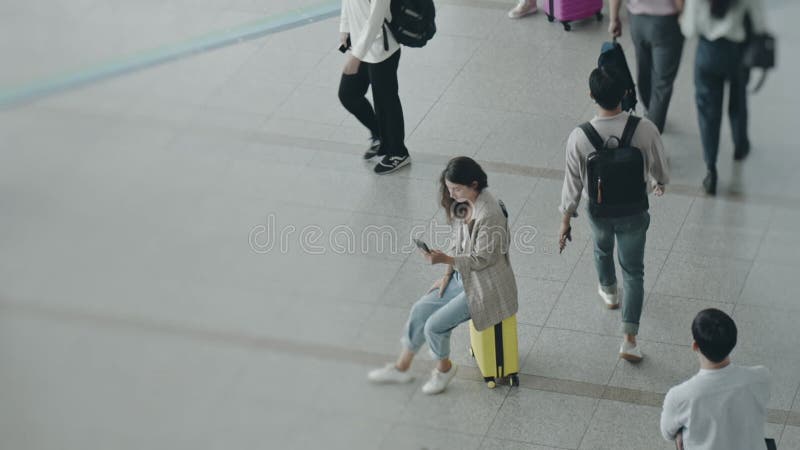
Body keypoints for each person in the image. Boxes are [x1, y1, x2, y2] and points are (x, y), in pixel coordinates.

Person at [367, 157, 518, 394]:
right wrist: (447, 275)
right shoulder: (463, 204)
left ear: (474, 184)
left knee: (434, 326)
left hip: (485, 286)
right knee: (420, 310)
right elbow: (456, 243)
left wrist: (444, 260)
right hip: (462, 277)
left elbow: (482, 259)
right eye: (449, 189)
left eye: (457, 188)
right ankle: (401, 366)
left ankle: (445, 370)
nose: (452, 194)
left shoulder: (490, 213)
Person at [558, 67, 669, 362]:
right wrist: (658, 181)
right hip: (634, 211)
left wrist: (566, 219)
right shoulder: (643, 128)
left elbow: (572, 183)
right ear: (624, 94)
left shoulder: (580, 137)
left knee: (601, 247)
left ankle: (609, 292)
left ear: (591, 95)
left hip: (599, 210)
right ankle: (629, 339)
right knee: (633, 271)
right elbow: (660, 167)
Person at [680, 0, 767, 195]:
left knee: (708, 111)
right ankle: (740, 145)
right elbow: (759, 22)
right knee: (738, 100)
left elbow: (689, 29)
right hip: (736, 52)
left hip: (707, 52)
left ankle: (711, 168)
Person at [660, 308, 771, 450]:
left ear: (695, 346)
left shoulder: (679, 397)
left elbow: (667, 432)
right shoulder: (761, 377)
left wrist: (679, 434)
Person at [338, 0, 411, 175]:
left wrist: (356, 56)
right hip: (360, 47)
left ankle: (398, 152)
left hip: (381, 50)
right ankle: (381, 136)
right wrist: (344, 27)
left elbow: (375, 21)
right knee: (348, 94)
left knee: (386, 103)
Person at [608, 0, 685, 134]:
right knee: (662, 82)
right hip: (666, 22)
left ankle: (650, 111)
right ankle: (651, 131)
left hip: (637, 20)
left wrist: (613, 18)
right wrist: (683, 13)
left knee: (644, 69)